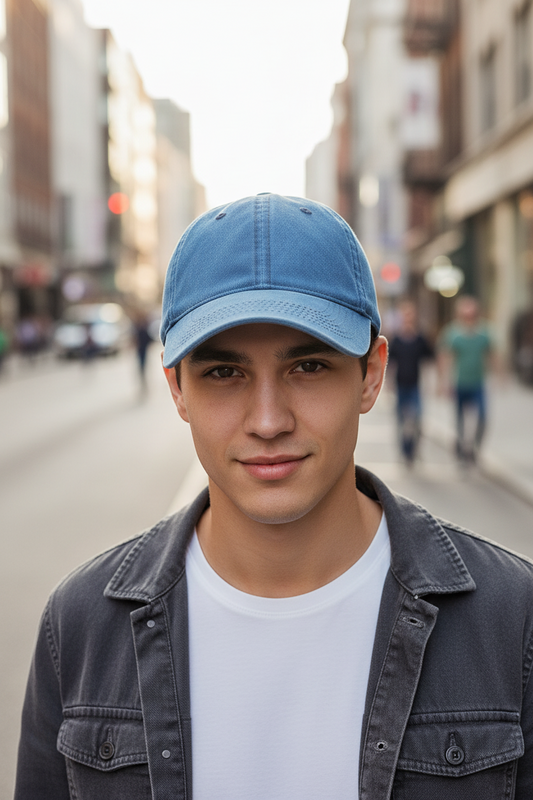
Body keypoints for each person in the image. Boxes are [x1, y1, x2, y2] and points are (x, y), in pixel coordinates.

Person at [15, 194, 533, 799]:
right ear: (177, 390)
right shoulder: (79, 629)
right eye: (223, 373)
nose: (267, 420)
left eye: (308, 367)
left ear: (371, 374)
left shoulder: (512, 621)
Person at [438, 295, 494, 462]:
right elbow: (445, 357)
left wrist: (500, 375)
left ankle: (475, 446)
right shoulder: (453, 333)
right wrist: (443, 381)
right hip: (460, 382)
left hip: (478, 382)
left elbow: (492, 354)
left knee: (483, 417)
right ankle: (461, 445)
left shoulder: (484, 332)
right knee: (460, 418)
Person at [388, 300, 434, 463]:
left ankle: (414, 448)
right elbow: (390, 363)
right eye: (405, 315)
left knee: (417, 420)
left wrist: (431, 383)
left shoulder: (420, 338)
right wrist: (388, 385)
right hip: (401, 385)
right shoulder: (397, 340)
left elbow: (429, 360)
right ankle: (404, 450)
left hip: (415, 385)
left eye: (410, 315)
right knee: (401, 421)